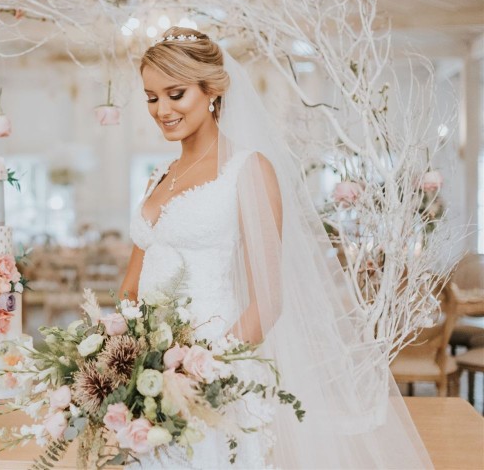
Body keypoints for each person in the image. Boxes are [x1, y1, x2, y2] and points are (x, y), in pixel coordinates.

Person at [120, 27, 431, 468]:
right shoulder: (158, 176)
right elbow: (129, 287)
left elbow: (268, 302)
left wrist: (196, 371)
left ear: (212, 91)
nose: (162, 110)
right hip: (143, 379)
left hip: (213, 376)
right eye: (151, 98)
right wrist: (117, 360)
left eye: (175, 94)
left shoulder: (248, 169)